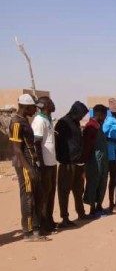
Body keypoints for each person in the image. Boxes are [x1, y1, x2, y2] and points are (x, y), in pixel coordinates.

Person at [9, 94, 48, 241]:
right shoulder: (16, 123)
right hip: (24, 164)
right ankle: (28, 232)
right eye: (33, 107)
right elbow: (17, 149)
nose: (35, 110)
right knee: (28, 197)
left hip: (31, 163)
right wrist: (29, 169)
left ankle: (36, 228)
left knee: (37, 195)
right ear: (26, 107)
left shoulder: (24, 120)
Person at [55, 101, 88, 228]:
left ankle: (81, 213)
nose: (81, 117)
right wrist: (62, 158)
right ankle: (65, 217)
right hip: (67, 163)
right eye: (81, 114)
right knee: (64, 192)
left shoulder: (75, 122)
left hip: (78, 163)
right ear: (75, 111)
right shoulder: (62, 123)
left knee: (78, 190)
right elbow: (58, 143)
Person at [31, 96, 58, 233]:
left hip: (52, 162)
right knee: (44, 195)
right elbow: (36, 144)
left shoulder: (48, 120)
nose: (52, 104)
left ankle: (49, 220)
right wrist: (40, 164)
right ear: (43, 105)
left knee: (51, 192)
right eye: (49, 102)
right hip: (44, 164)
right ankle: (42, 224)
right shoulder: (39, 120)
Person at [82, 104, 109, 216]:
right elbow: (87, 146)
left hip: (102, 159)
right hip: (94, 160)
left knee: (102, 182)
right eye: (104, 115)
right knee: (93, 182)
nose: (105, 118)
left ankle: (99, 205)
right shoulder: (90, 126)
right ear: (99, 114)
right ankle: (92, 207)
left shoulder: (99, 125)